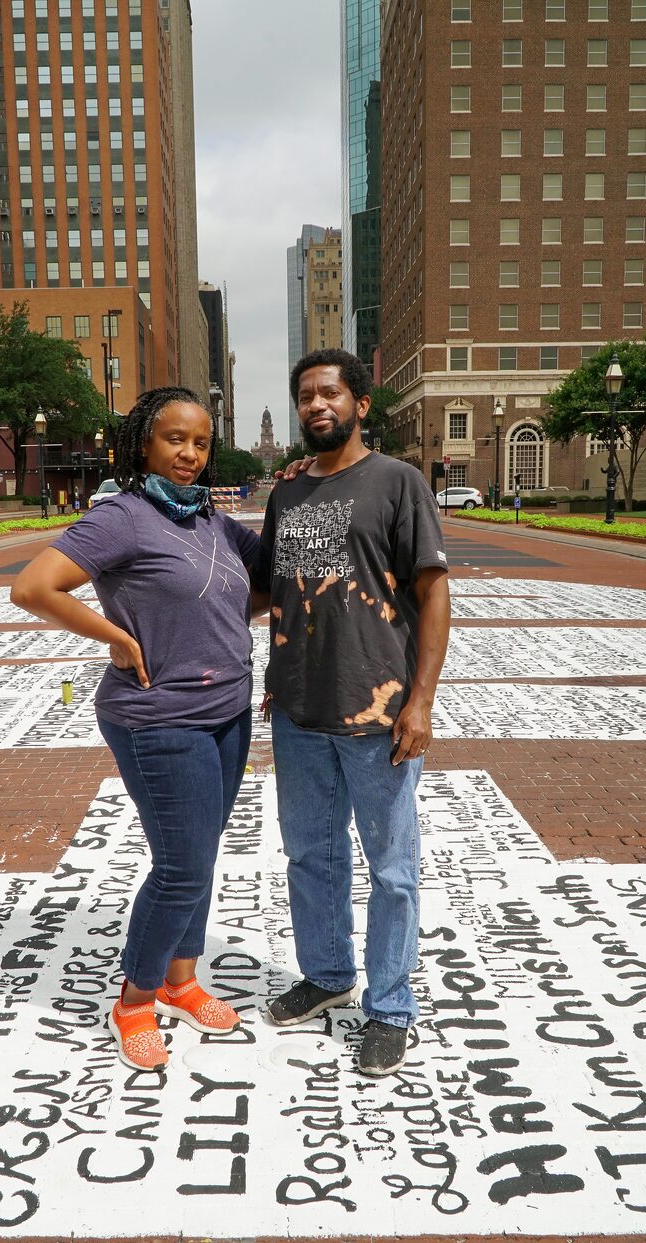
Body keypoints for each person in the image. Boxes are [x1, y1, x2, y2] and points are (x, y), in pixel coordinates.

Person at [10, 386, 262, 1073]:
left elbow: (268, 573)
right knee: (181, 866)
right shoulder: (122, 516)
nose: (189, 454)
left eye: (201, 443)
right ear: (144, 443)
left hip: (229, 709)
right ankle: (135, 998)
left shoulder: (212, 520)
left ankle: (182, 979)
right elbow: (34, 587)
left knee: (202, 855)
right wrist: (114, 635)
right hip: (158, 717)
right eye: (175, 439)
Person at [252, 348, 451, 1078]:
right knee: (311, 855)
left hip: (379, 715)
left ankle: (391, 1007)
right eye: (304, 395)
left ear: (361, 403)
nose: (316, 405)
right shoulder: (287, 495)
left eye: (330, 392)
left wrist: (421, 699)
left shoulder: (397, 483)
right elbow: (271, 592)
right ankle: (329, 973)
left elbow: (432, 593)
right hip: (300, 712)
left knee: (392, 870)